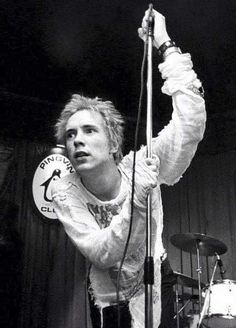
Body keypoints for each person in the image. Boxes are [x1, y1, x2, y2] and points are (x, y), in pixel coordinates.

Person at [51, 8, 206, 328]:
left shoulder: (141, 164)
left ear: (112, 144)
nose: (77, 140)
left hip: (155, 282)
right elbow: (103, 252)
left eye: (89, 130)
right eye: (70, 135)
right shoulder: (64, 191)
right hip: (107, 297)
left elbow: (191, 123)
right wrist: (137, 197)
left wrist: (163, 42)